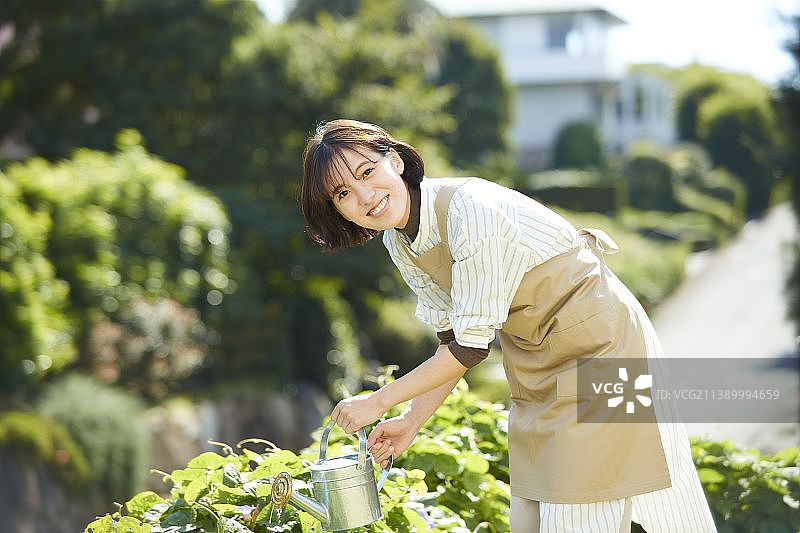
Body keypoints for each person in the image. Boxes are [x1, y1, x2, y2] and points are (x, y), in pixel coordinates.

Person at [299, 119, 717, 532]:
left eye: (367, 172)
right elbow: (452, 344)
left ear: (397, 161)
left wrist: (378, 402)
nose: (365, 196)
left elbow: (469, 348)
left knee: (585, 514)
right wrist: (410, 421)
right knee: (531, 519)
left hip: (604, 347)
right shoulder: (400, 242)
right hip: (537, 368)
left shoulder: (468, 209)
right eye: (343, 193)